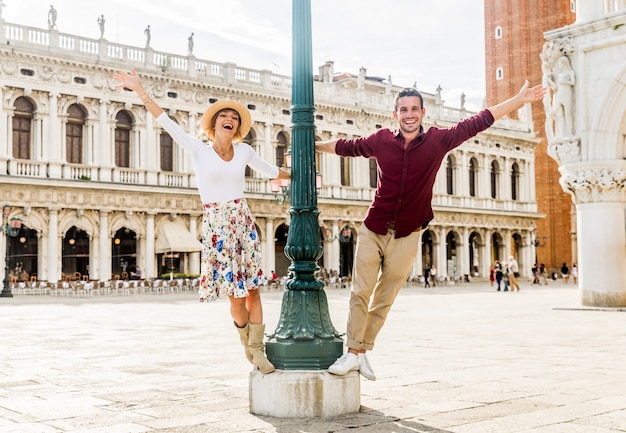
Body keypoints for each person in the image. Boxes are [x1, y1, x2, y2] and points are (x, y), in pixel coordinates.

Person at [316, 80, 545, 380]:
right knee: (360, 292)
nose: (408, 114)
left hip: (409, 231)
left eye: (414, 109)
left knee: (385, 297)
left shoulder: (440, 140)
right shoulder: (381, 140)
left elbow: (480, 121)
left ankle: (361, 350)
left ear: (423, 112)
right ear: (394, 113)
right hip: (374, 226)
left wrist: (518, 100)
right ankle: (353, 353)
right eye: (403, 110)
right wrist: (313, 144)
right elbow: (348, 147)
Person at [113, 68, 290, 374]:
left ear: (236, 126)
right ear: (214, 123)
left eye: (233, 117)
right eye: (223, 115)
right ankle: (246, 343)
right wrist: (140, 91)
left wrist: (303, 175)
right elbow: (165, 121)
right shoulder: (197, 149)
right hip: (217, 225)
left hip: (241, 220)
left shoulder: (244, 151)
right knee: (235, 296)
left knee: (253, 290)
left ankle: (258, 351)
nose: (229, 119)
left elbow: (273, 172)